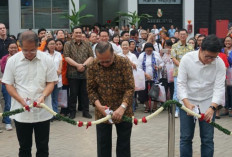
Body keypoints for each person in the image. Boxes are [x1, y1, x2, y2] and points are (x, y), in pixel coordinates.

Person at [2, 30, 58, 156]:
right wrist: (20, 100)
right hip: (21, 112)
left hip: (42, 111)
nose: (28, 53)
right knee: (24, 147)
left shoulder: (46, 59)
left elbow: (51, 83)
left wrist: (43, 96)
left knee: (43, 147)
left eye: (32, 50)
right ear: (20, 46)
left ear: (38, 45)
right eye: (25, 50)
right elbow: (8, 84)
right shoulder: (13, 61)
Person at [177, 34, 225, 157]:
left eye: (213, 58)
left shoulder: (219, 63)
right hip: (188, 101)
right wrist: (186, 103)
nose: (210, 60)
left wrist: (212, 108)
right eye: (207, 56)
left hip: (208, 102)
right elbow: (181, 84)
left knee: (207, 139)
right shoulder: (187, 59)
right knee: (186, 138)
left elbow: (219, 87)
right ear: (201, 49)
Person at [87, 41, 134, 157]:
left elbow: (130, 87)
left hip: (124, 110)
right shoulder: (93, 65)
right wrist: (98, 106)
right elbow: (91, 89)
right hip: (102, 111)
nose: (105, 64)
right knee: (103, 147)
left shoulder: (123, 62)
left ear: (113, 53)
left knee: (124, 146)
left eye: (108, 61)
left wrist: (122, 107)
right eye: (101, 61)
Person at [64, 26, 94, 119]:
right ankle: (72, 112)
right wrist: (77, 65)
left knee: (85, 94)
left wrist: (84, 65)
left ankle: (86, 112)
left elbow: (91, 57)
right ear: (72, 34)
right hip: (73, 73)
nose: (78, 34)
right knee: (73, 94)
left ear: (82, 34)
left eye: (79, 33)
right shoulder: (68, 44)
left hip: (85, 73)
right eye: (76, 33)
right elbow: (66, 57)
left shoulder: (87, 44)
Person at [171, 29, 194, 118]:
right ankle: (176, 110)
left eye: (184, 34)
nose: (182, 36)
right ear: (178, 36)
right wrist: (183, 67)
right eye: (181, 34)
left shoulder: (191, 47)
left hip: (189, 73)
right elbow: (173, 59)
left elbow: (192, 59)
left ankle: (186, 109)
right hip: (178, 72)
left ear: (187, 35)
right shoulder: (174, 46)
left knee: (187, 91)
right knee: (177, 91)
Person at [138, 43, 163, 113]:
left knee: (156, 91)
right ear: (144, 50)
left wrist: (158, 67)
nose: (149, 52)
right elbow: (139, 67)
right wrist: (146, 75)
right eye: (147, 50)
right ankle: (147, 106)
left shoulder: (156, 54)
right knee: (143, 92)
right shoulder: (141, 55)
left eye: (150, 50)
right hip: (144, 76)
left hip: (155, 77)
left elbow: (162, 63)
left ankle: (154, 107)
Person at [1, 41, 18, 131]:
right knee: (8, 104)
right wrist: (8, 61)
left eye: (15, 47)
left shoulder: (21, 57)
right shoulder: (4, 58)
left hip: (18, 84)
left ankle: (17, 120)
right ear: (8, 49)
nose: (13, 49)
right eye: (11, 47)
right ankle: (7, 122)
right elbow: (3, 70)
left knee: (18, 103)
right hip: (7, 84)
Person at [44, 38, 62, 120]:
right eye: (50, 44)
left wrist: (57, 73)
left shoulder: (58, 54)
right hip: (48, 80)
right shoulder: (44, 54)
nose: (52, 45)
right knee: (49, 98)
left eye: (53, 44)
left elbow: (60, 66)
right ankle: (49, 114)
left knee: (55, 98)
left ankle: (55, 114)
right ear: (47, 45)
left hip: (57, 79)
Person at [221, 36, 232, 117]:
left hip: (231, 71)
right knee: (225, 91)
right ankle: (226, 108)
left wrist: (227, 55)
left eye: (229, 41)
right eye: (226, 41)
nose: (227, 42)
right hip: (224, 73)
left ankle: (231, 108)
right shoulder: (221, 50)